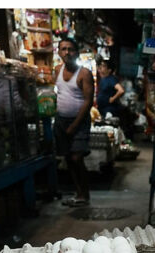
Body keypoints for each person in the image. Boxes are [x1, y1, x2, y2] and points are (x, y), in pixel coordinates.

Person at [54, 37, 94, 207]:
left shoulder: (84, 73)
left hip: (79, 121)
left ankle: (85, 193)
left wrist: (74, 125)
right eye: (63, 49)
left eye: (70, 49)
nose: (67, 52)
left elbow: (88, 101)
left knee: (77, 157)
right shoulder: (57, 70)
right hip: (61, 120)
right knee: (68, 158)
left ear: (76, 53)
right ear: (59, 52)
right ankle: (79, 193)